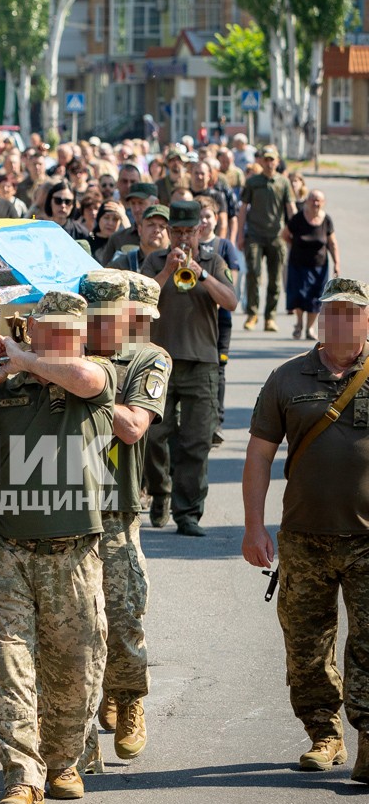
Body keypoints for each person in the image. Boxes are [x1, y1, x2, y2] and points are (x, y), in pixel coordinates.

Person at [0, 291, 114, 804]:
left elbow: (86, 380)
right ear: (32, 329)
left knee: (76, 665)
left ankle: (63, 761)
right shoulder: (8, 386)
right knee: (6, 664)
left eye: (68, 332)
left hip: (73, 551)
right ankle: (21, 775)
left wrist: (24, 359)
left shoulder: (98, 376)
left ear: (81, 336)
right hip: (5, 548)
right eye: (49, 330)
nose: (59, 339)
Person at [242, 278, 369, 783]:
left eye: (351, 311)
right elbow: (258, 456)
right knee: (307, 646)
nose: (341, 319)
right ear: (319, 318)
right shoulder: (287, 378)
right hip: (304, 538)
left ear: (365, 319)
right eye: (332, 311)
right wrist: (254, 527)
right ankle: (325, 733)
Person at [79, 270, 169, 766]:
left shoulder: (146, 358)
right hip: (65, 503)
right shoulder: (62, 348)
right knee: (76, 623)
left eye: (116, 318)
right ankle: (82, 718)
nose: (108, 326)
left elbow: (133, 426)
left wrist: (82, 382)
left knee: (123, 612)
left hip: (115, 506)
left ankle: (130, 699)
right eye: (97, 317)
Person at [141, 201, 238, 536]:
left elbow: (231, 301)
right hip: (158, 362)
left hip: (201, 363)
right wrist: (167, 270)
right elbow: (138, 304)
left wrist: (203, 274)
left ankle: (188, 514)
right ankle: (161, 493)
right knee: (153, 435)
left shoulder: (214, 260)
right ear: (169, 232)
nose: (183, 237)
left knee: (196, 441)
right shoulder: (154, 261)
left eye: (188, 231)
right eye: (177, 231)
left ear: (199, 230)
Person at [237, 145, 295, 332]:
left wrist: (293, 232)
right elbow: (243, 209)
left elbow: (290, 209)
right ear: (261, 161)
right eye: (266, 160)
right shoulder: (253, 182)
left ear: (277, 162)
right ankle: (252, 314)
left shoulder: (283, 183)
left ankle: (270, 317)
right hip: (254, 234)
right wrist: (240, 235)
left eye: (272, 160)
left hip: (276, 236)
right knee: (253, 272)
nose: (269, 163)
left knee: (275, 278)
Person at [197, 196, 241, 438]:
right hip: (198, 317)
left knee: (219, 367)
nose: (204, 221)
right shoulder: (187, 247)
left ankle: (217, 421)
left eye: (208, 216)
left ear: (216, 219)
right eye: (200, 217)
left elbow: (231, 284)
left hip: (220, 318)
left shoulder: (224, 246)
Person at [283, 190, 339, 341]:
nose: (315, 203)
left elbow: (332, 243)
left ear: (323, 203)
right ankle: (299, 323)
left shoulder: (326, 220)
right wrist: (294, 245)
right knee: (299, 295)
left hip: (319, 266)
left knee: (316, 298)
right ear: (307, 201)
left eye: (318, 200)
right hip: (298, 264)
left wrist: (336, 263)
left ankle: (309, 328)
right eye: (313, 200)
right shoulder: (298, 218)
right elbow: (285, 234)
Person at [98, 182, 157, 264]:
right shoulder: (118, 238)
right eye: (133, 203)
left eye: (141, 203)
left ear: (155, 203)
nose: (136, 209)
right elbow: (105, 272)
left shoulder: (166, 237)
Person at [109, 204, 170, 271]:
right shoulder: (121, 265)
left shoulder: (178, 265)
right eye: (151, 225)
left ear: (170, 233)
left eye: (162, 226)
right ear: (140, 230)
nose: (156, 230)